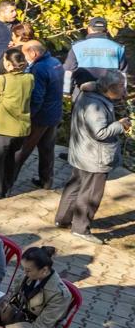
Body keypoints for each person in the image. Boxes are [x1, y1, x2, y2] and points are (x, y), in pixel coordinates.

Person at [53, 71, 130, 241]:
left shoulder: (90, 92)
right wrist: (120, 125)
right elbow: (100, 132)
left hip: (83, 152)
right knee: (91, 194)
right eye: (122, 87)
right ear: (111, 87)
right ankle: (80, 229)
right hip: (95, 157)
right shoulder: (95, 105)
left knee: (75, 187)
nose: (124, 91)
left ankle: (63, 219)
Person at [12, 40, 64, 190]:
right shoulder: (55, 62)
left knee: (22, 150)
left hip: (40, 117)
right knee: (47, 149)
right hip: (54, 114)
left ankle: (7, 182)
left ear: (33, 53)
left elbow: (37, 97)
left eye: (25, 55)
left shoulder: (39, 68)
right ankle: (46, 180)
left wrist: (28, 116)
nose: (24, 59)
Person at [0, 47, 34, 199]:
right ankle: (7, 187)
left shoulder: (1, 80)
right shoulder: (30, 78)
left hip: (4, 126)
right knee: (11, 160)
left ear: (7, 63)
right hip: (22, 127)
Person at [62, 16, 126, 86]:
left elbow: (68, 72)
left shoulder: (77, 47)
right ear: (107, 30)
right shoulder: (118, 48)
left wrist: (66, 92)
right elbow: (123, 73)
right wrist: (123, 92)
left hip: (83, 91)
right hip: (110, 91)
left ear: (89, 29)